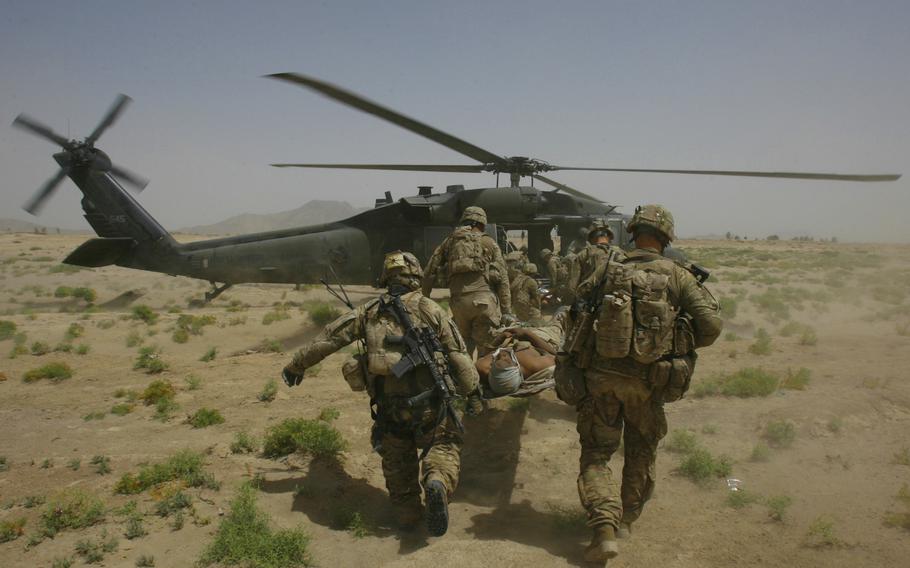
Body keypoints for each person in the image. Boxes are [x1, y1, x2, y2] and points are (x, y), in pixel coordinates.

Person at [281, 251, 479, 537]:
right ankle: (437, 480)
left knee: (397, 462)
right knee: (444, 445)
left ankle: (407, 513)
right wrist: (472, 392)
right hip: (430, 405)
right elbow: (458, 354)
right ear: (415, 275)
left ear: (386, 277)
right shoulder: (429, 308)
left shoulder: (369, 311)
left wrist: (295, 365)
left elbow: (329, 338)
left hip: (390, 409)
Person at [569, 205, 722, 564]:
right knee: (640, 451)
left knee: (596, 453)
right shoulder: (678, 275)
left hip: (601, 379)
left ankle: (603, 528)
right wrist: (675, 348)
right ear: (666, 238)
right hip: (648, 381)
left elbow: (577, 308)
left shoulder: (608, 268)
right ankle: (625, 521)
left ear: (633, 233)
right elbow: (711, 327)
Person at [422, 206, 513, 356]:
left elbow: (430, 271)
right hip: (484, 304)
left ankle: (467, 378)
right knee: (488, 352)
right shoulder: (488, 243)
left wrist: (424, 299)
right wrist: (507, 311)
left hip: (459, 304)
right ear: (481, 223)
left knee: (463, 350)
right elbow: (503, 279)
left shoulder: (449, 243)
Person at [475, 308, 569, 397]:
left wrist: (500, 338)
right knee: (563, 313)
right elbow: (556, 355)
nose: (501, 354)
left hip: (513, 335)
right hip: (541, 337)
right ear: (516, 369)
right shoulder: (534, 365)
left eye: (496, 360)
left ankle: (517, 323)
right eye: (507, 361)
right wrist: (527, 334)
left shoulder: (484, 368)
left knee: (507, 321)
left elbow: (487, 353)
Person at [565, 220, 617, 304]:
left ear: (591, 237)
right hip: (615, 309)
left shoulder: (583, 255)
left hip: (589, 308)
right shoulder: (621, 254)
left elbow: (572, 288)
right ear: (610, 236)